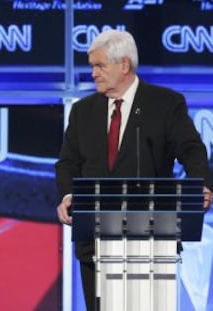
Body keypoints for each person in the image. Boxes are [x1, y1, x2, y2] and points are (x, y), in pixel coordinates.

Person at [55, 29, 213, 311]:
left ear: (124, 65)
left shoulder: (165, 104)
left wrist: (201, 183)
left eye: (100, 65)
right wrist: (67, 195)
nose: (93, 73)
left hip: (150, 241)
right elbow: (68, 163)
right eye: (92, 66)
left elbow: (191, 148)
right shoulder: (82, 111)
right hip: (95, 242)